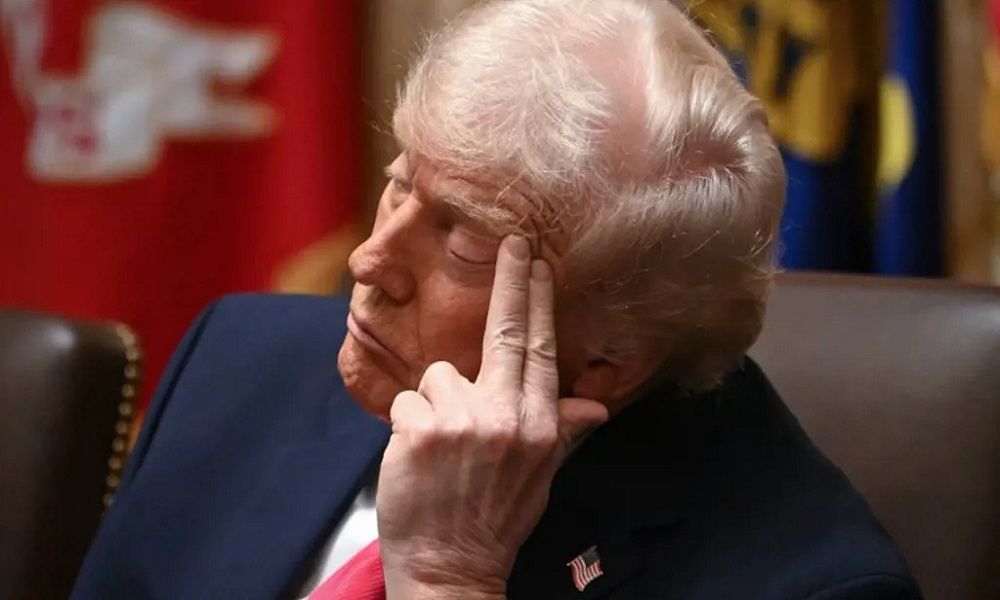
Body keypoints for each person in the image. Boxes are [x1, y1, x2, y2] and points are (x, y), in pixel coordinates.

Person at [72, 1, 922, 598]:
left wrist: (448, 579)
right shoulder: (241, 360)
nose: (369, 260)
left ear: (608, 360)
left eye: (464, 243)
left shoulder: (813, 584)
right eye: (399, 181)